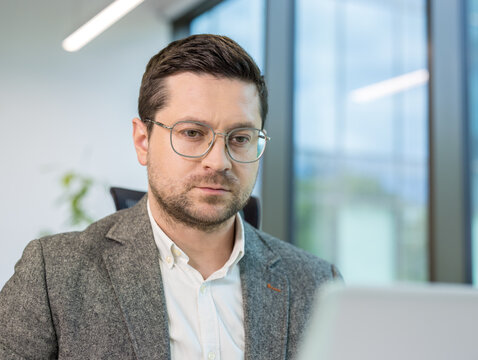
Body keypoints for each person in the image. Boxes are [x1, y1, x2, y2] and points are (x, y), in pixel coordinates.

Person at [0, 34, 341, 359]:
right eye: (192, 133)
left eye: (240, 138)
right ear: (142, 141)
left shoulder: (317, 286)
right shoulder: (54, 273)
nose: (219, 161)